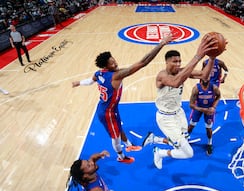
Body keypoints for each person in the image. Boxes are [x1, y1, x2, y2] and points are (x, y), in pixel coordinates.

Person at [72, 34, 174, 164]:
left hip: (108, 108)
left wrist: (79, 83)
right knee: (115, 137)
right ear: (106, 66)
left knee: (119, 127)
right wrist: (161, 44)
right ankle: (121, 157)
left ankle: (128, 144)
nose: (115, 63)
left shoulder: (99, 73)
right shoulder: (116, 76)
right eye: (112, 63)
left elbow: (90, 81)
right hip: (107, 113)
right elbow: (143, 62)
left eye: (114, 60)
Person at [142, 33, 228, 169]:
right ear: (166, 62)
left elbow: (205, 75)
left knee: (183, 140)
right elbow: (176, 82)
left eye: (179, 61)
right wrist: (198, 56)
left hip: (178, 113)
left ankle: (155, 139)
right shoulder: (162, 76)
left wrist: (212, 58)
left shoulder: (182, 71)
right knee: (188, 153)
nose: (178, 64)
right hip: (166, 118)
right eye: (174, 61)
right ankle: (160, 152)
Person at [187, 78, 221, 155]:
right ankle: (185, 139)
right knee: (191, 126)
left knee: (208, 128)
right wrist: (203, 109)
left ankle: (209, 144)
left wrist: (213, 107)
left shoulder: (214, 88)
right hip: (198, 108)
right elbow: (191, 105)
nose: (206, 79)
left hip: (209, 109)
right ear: (201, 78)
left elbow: (218, 96)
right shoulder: (196, 88)